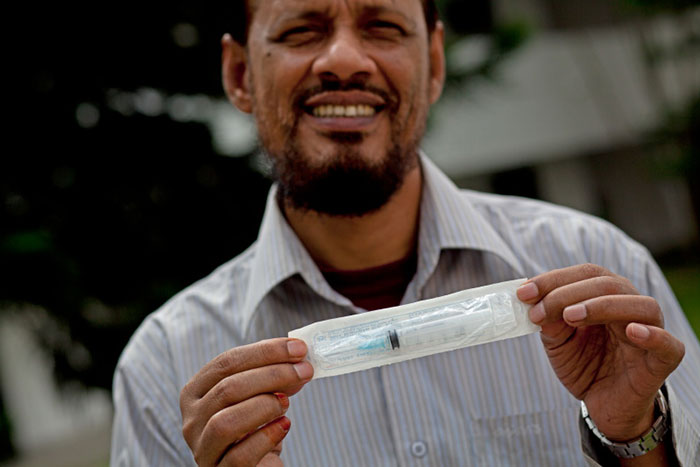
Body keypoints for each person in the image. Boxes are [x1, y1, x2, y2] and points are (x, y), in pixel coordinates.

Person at [110, 0, 700, 465]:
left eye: (383, 26)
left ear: (435, 63)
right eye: (301, 31)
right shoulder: (163, 368)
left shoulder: (604, 279)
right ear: (239, 74)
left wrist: (635, 442)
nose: (344, 59)